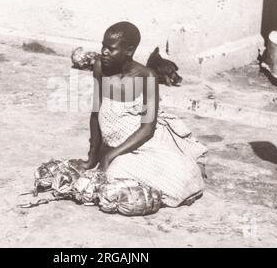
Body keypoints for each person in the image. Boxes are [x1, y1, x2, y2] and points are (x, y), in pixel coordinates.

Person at [80, 22, 206, 207]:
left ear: (129, 50)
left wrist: (108, 156)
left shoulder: (147, 77)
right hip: (118, 146)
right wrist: (93, 156)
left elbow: (147, 129)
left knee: (179, 177)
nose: (104, 52)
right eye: (103, 46)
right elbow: (95, 112)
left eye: (111, 48)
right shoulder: (100, 67)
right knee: (111, 175)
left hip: (145, 143)